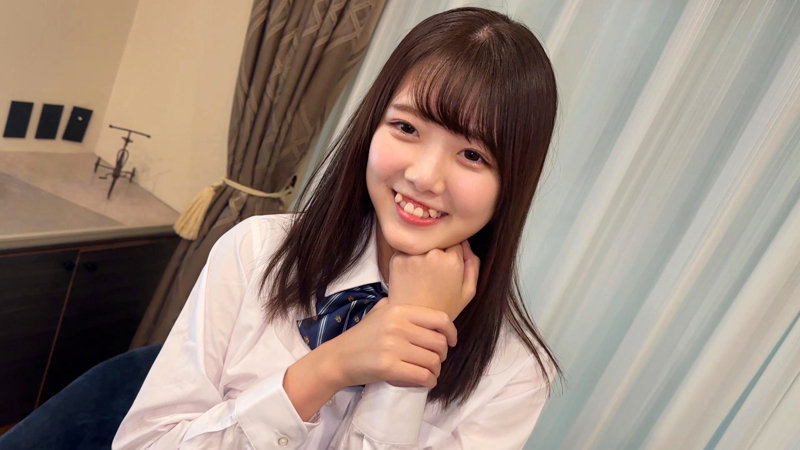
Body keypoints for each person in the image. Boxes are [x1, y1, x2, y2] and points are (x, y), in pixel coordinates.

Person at [113, 6, 560, 449]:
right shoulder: (255, 251)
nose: (424, 177)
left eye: (473, 155)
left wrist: (408, 359)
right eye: (406, 127)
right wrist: (330, 367)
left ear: (512, 183)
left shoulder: (515, 373)